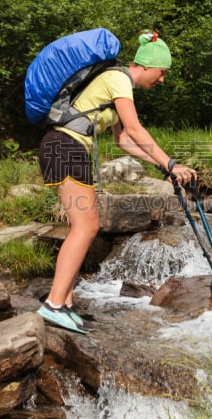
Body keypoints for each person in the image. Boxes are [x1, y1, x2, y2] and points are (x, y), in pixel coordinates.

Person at [37, 31, 197, 334]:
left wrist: (161, 166)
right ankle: (54, 304)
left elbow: (123, 140)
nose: (161, 80)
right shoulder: (119, 79)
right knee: (86, 227)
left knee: (83, 227)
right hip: (64, 147)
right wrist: (170, 163)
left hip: (65, 148)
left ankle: (65, 304)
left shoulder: (115, 81)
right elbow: (136, 129)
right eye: (162, 73)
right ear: (147, 66)